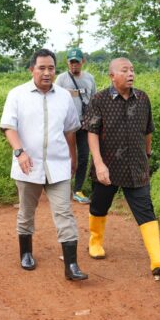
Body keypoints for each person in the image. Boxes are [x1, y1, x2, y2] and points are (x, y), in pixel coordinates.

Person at [84, 57, 160, 278]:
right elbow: (92, 132)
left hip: (136, 165)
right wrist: (98, 164)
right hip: (108, 165)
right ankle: (95, 241)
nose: (130, 74)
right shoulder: (100, 100)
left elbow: (148, 130)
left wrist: (147, 155)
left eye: (132, 70)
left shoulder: (143, 98)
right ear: (112, 76)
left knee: (145, 209)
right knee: (99, 205)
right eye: (124, 70)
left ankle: (157, 259)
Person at [0, 49, 88, 281]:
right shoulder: (17, 94)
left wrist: (73, 157)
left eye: (51, 68)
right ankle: (26, 252)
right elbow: (9, 127)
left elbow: (70, 130)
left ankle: (71, 266)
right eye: (42, 68)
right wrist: (19, 152)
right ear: (32, 70)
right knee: (27, 212)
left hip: (58, 164)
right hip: (28, 165)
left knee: (64, 213)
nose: (47, 73)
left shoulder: (64, 96)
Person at [55, 47, 98, 204]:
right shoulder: (61, 79)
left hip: (84, 125)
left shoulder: (89, 79)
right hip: (66, 127)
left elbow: (94, 101)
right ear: (67, 63)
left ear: (83, 62)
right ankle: (61, 188)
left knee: (83, 156)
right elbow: (55, 101)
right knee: (65, 156)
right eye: (71, 63)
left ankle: (77, 190)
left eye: (77, 63)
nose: (74, 66)